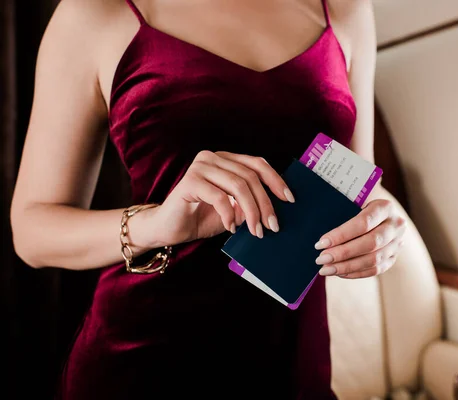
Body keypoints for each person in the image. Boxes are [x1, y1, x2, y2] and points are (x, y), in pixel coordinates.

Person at [10, 0, 407, 398]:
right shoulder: (95, 11)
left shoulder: (345, 8)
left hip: (292, 362)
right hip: (142, 363)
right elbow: (31, 231)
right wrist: (155, 224)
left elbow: (358, 176)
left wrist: (381, 227)